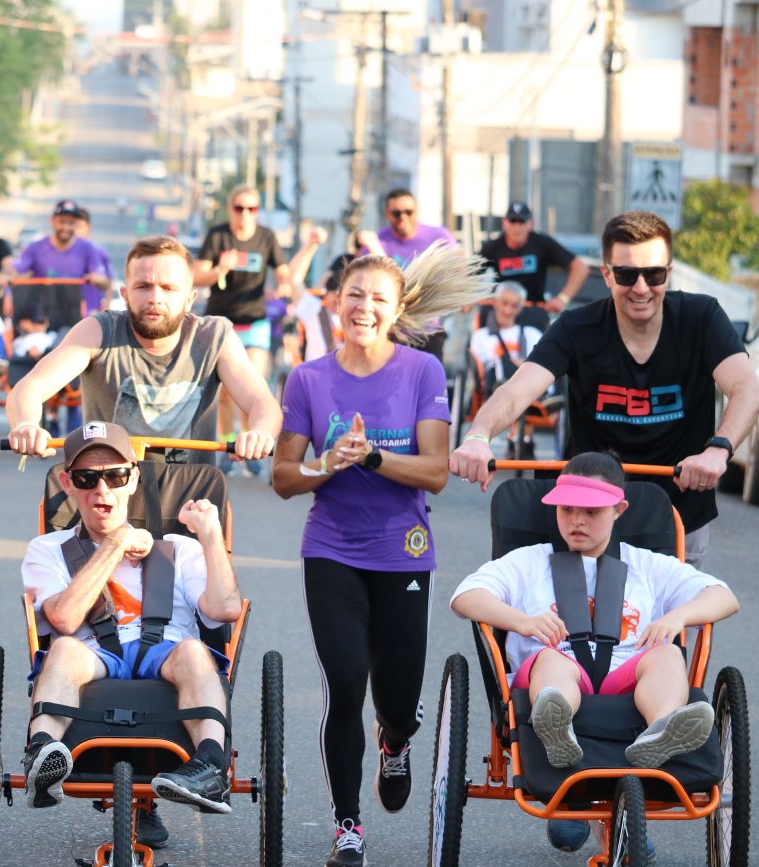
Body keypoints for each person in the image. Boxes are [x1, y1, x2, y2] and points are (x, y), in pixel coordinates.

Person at [270, 244, 492, 866]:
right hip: (332, 549)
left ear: (396, 311)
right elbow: (285, 478)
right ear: (335, 302)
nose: (363, 308)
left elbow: (435, 472)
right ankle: (348, 826)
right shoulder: (308, 378)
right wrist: (324, 465)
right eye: (354, 296)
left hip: (402, 550)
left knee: (397, 701)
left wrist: (369, 457)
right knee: (345, 683)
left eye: (377, 300)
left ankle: (395, 741)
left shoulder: (421, 372)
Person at [449, 453, 739, 856]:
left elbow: (724, 596)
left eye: (591, 511)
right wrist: (521, 621)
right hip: (556, 670)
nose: (577, 521)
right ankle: (557, 727)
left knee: (668, 655)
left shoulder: (646, 566)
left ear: (620, 510)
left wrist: (678, 617)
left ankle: (662, 729)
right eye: (566, 509)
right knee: (553, 660)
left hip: (628, 679)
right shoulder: (528, 562)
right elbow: (466, 596)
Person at [451, 211, 759, 568]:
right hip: (589, 510)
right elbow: (518, 390)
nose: (642, 287)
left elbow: (747, 391)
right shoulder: (576, 327)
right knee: (576, 619)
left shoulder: (701, 318)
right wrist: (478, 436)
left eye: (654, 274)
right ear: (606, 274)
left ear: (669, 273)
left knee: (674, 620)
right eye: (627, 275)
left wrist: (717, 450)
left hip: (679, 512)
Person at [20, 422, 242, 815]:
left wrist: (210, 536)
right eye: (86, 478)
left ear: (133, 478)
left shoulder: (178, 548)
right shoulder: (47, 549)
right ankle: (43, 757)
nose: (101, 490)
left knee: (194, 650)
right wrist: (116, 542)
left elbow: (224, 610)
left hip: (167, 650)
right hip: (92, 654)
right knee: (65, 648)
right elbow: (66, 619)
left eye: (115, 475)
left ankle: (211, 766)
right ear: (67, 483)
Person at [7, 236, 279, 467]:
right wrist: (27, 424)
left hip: (190, 496)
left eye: (168, 288)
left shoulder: (215, 337)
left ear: (189, 299)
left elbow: (262, 402)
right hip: (106, 494)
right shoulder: (97, 331)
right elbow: (30, 387)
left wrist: (259, 433)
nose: (155, 298)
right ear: (124, 294)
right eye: (143, 286)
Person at [192, 185, 290, 464]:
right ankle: (226, 444)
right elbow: (197, 276)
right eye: (239, 208)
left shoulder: (266, 237)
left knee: (253, 387)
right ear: (230, 209)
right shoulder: (219, 235)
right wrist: (221, 268)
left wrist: (284, 283)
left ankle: (251, 442)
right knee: (223, 394)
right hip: (221, 325)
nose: (245, 214)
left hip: (254, 322)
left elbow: (282, 272)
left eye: (252, 209)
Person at [354, 189, 460, 360]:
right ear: (387, 215)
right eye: (396, 213)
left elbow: (458, 266)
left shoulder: (439, 237)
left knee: (430, 381)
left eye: (408, 212)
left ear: (416, 212)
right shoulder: (377, 242)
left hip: (429, 329)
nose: (403, 218)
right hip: (392, 330)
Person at [468, 281, 548, 459]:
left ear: (520, 308)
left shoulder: (531, 333)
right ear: (495, 302)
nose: (508, 311)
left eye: (514, 305)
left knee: (532, 376)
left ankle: (523, 438)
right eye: (504, 303)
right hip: (494, 386)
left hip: (528, 386)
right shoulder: (481, 336)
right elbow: (478, 370)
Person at [6, 199, 113, 329]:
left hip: (76, 321)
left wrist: (98, 280)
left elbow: (104, 281)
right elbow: (14, 269)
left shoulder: (88, 249)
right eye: (62, 222)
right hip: (42, 321)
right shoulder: (36, 248)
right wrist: (6, 278)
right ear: (52, 221)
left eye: (71, 223)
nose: (66, 227)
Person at [478, 201, 590, 313]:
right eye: (513, 221)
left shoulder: (542, 243)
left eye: (522, 221)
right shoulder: (492, 247)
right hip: (503, 312)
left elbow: (580, 268)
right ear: (504, 223)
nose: (517, 227)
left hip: (534, 311)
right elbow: (469, 273)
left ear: (530, 223)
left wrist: (563, 299)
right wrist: (465, 299)